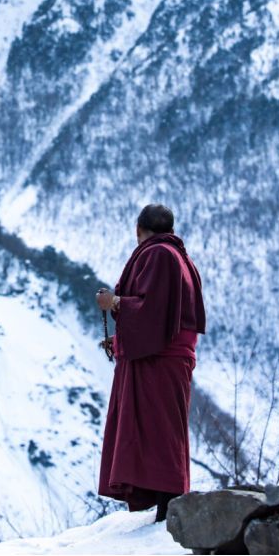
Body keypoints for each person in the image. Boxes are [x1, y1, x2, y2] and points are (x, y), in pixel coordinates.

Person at [96, 204, 206, 523]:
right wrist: (119, 342)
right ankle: (166, 506)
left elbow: (151, 313)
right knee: (161, 429)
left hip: (160, 360)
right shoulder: (181, 258)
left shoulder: (158, 255)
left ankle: (170, 507)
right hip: (166, 356)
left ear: (137, 229)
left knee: (159, 431)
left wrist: (113, 302)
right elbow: (165, 319)